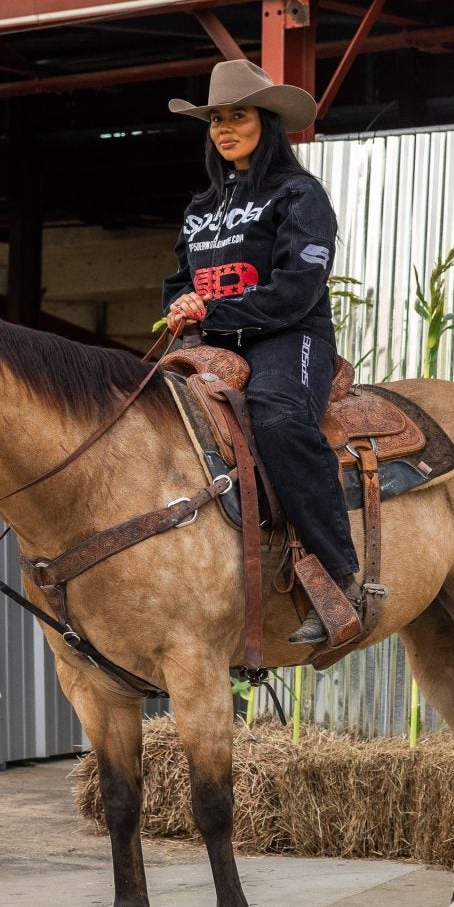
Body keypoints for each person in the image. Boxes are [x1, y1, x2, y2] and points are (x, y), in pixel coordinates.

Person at [161, 60, 361, 647]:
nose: (224, 129)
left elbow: (298, 287)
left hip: (290, 335)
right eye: (216, 120)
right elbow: (180, 280)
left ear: (266, 122)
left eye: (238, 116)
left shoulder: (299, 194)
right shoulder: (202, 206)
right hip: (212, 342)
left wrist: (213, 312)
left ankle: (340, 578)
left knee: (276, 415)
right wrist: (181, 306)